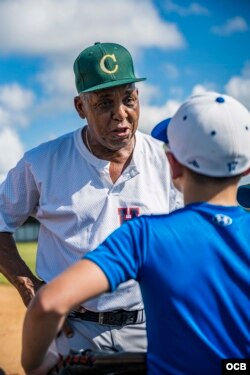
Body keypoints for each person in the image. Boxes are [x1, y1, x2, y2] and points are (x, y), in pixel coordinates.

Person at [21, 91, 250, 375]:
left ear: (174, 164)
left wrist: (35, 366)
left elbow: (48, 304)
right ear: (247, 168)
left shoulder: (145, 235)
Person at [0, 42, 182, 355]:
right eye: (104, 103)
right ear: (80, 107)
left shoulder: (165, 161)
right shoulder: (41, 163)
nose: (120, 114)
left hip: (148, 327)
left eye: (128, 99)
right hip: (72, 330)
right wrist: (28, 286)